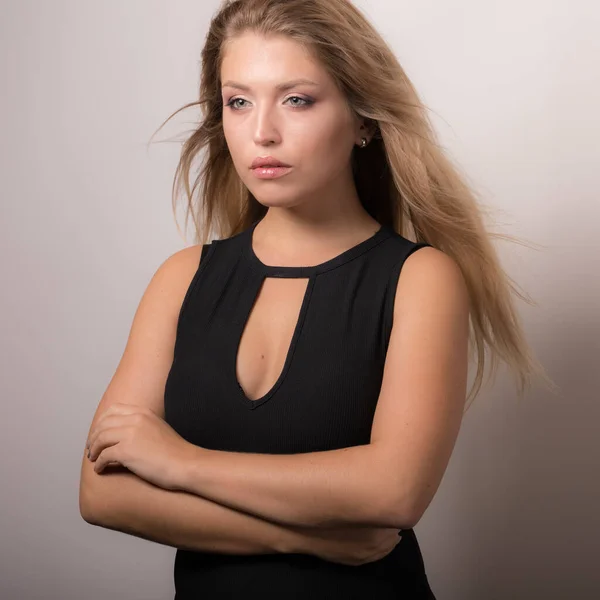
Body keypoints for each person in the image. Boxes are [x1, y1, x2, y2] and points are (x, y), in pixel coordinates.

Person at [79, 1, 555, 598]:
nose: (262, 132)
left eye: (297, 99)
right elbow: (101, 492)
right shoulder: (182, 278)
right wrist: (307, 536)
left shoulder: (420, 279)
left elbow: (394, 491)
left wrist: (181, 464)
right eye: (239, 101)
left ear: (363, 119)